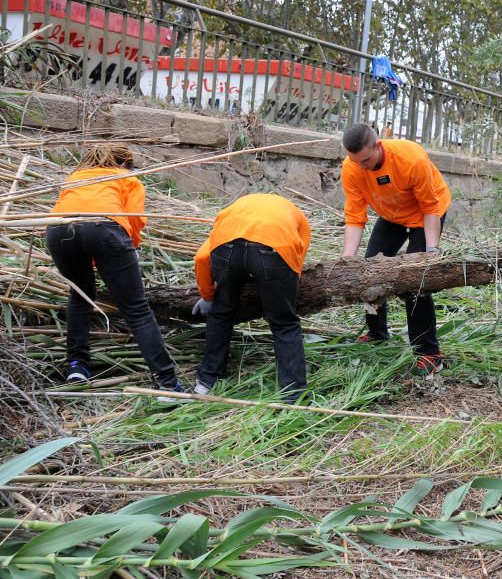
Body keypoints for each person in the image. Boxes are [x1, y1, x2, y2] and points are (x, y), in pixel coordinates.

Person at [45, 144, 184, 402]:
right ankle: (167, 384)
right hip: (104, 227)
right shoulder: (126, 178)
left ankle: (77, 368)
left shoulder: (74, 178)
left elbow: (73, 215)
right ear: (124, 163)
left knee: (80, 297)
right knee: (136, 308)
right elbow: (134, 220)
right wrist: (124, 255)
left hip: (58, 231)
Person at [340, 122, 451, 375]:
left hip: (426, 214)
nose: (362, 167)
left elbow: (430, 207)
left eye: (366, 160)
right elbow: (355, 216)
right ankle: (377, 332)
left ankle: (429, 353)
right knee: (370, 272)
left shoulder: (410, 158)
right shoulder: (352, 168)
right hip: (391, 214)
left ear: (378, 146)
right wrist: (347, 258)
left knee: (415, 282)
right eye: (356, 161)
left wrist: (430, 250)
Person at [191, 194, 311, 404]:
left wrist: (208, 296)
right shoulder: (297, 217)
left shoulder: (229, 216)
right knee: (284, 324)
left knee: (221, 313)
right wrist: (285, 289)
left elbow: (201, 257)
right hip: (273, 250)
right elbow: (296, 256)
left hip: (227, 250)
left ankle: (206, 381)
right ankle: (293, 396)